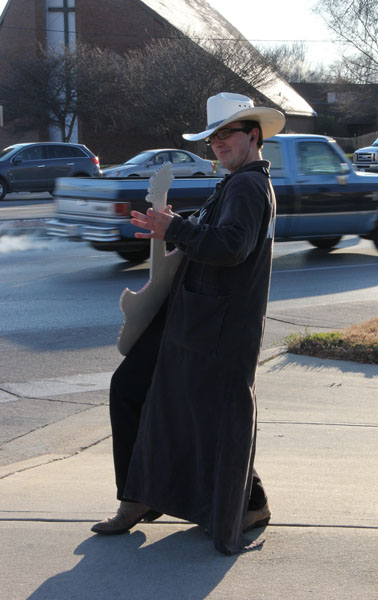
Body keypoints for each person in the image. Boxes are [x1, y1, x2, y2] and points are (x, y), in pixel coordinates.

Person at [91, 92, 285, 555]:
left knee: (206, 413)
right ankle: (140, 495)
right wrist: (172, 223)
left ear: (253, 136)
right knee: (159, 398)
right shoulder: (236, 182)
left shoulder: (247, 186)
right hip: (198, 318)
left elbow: (232, 246)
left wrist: (174, 229)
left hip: (215, 327)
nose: (218, 144)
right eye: (213, 137)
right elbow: (215, 233)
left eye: (227, 134)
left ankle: (241, 501)